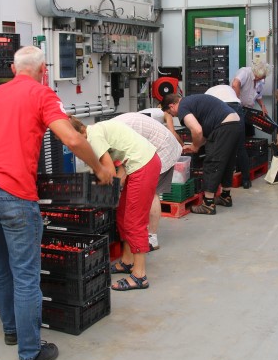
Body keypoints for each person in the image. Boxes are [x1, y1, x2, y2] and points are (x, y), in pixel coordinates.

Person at [0, 46, 113, 360]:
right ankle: (30, 353)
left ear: (12, 68)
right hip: (14, 194)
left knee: (0, 266)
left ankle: (11, 331)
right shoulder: (42, 94)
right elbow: (72, 142)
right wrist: (99, 169)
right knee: (26, 276)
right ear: (43, 71)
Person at [69, 117, 160, 291]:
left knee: (134, 221)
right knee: (123, 214)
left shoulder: (93, 137)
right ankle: (127, 261)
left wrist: (94, 191)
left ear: (79, 132)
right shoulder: (95, 132)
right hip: (137, 163)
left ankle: (140, 276)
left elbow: (109, 172)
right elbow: (118, 167)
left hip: (143, 165)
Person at [161, 93, 241, 215]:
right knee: (227, 162)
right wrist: (195, 146)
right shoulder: (191, 101)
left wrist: (195, 146)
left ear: (172, 106)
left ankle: (208, 204)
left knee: (212, 163)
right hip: (235, 123)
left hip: (223, 125)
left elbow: (197, 130)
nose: (173, 115)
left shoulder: (182, 107)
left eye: (170, 113)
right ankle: (225, 197)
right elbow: (203, 134)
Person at [114, 111, 182, 251]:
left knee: (151, 192)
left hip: (162, 149)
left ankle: (151, 238)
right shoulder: (110, 127)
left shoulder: (114, 135)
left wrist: (116, 188)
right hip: (158, 146)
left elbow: (123, 169)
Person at [205, 84, 251, 189]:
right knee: (240, 147)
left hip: (222, 110)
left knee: (220, 147)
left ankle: (217, 182)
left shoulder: (209, 91)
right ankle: (246, 180)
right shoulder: (229, 88)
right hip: (236, 108)